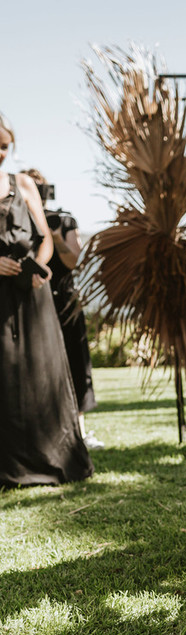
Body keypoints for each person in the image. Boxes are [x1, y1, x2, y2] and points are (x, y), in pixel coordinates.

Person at [0, 114, 94, 488]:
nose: (0, 153)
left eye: (5, 145)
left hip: (32, 294)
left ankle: (49, 460)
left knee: (39, 376)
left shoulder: (22, 182)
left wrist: (38, 265)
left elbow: (45, 237)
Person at [22, 169, 104, 451]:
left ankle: (79, 432)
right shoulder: (16, 220)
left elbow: (75, 261)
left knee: (75, 362)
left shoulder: (64, 219)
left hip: (64, 300)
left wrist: (54, 237)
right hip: (30, 300)